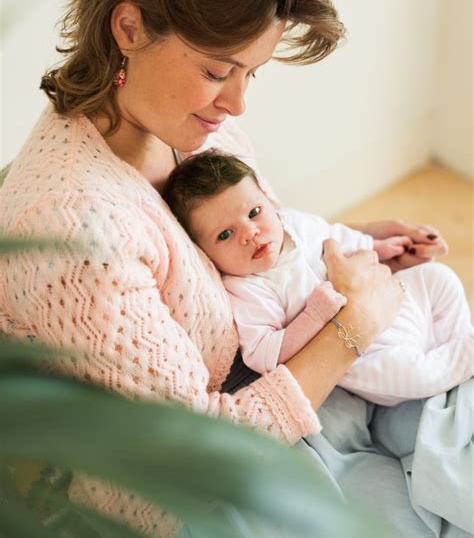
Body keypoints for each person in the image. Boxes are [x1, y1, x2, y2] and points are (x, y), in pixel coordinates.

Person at [0, 0, 465, 538]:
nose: (238, 103)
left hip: (280, 381)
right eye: (220, 70)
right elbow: (188, 463)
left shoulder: (181, 124)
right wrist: (353, 327)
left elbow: (222, 258)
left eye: (252, 73)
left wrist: (332, 244)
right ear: (128, 28)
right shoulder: (82, 232)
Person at [163, 149, 473, 406]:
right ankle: (458, 361)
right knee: (406, 374)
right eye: (225, 234)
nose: (249, 233)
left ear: (269, 201)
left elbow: (338, 237)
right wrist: (313, 315)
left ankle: (458, 338)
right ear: (204, 253)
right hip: (362, 352)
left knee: (437, 276)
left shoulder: (296, 223)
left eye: (254, 212)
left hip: (394, 303)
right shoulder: (246, 290)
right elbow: (264, 354)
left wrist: (378, 246)